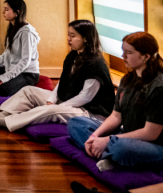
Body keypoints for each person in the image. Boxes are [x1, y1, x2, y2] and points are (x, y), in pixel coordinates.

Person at [0, 20, 113, 131]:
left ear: (85, 38)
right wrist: (52, 99)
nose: (68, 39)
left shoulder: (96, 64)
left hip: (89, 112)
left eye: (73, 36)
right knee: (29, 91)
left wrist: (58, 107)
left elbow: (86, 96)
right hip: (69, 101)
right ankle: (5, 113)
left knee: (50, 111)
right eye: (68, 35)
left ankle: (8, 122)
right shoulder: (73, 55)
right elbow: (63, 81)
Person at [68, 32, 163, 171]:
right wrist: (95, 136)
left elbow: (150, 133)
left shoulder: (159, 87)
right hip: (125, 135)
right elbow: (115, 116)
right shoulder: (127, 79)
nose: (123, 56)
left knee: (120, 147)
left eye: (129, 53)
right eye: (123, 51)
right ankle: (105, 154)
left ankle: (107, 153)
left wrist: (108, 140)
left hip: (153, 145)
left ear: (146, 57)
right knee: (76, 123)